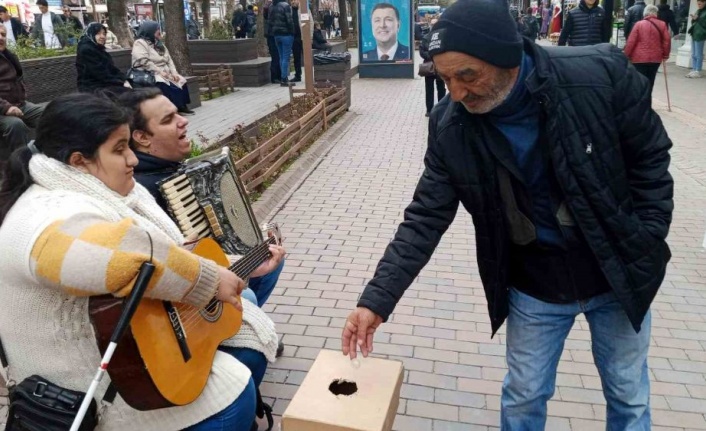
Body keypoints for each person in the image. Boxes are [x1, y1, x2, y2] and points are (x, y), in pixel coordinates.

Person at [341, 1, 673, 430]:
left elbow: (651, 157)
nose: (456, 93)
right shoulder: (451, 125)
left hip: (617, 272)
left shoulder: (597, 76)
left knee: (628, 395)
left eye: (467, 76)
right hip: (535, 282)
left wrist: (646, 238)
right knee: (523, 396)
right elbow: (424, 217)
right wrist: (375, 301)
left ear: (506, 57)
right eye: (445, 79)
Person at [0, 93, 278, 430]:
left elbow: (169, 250)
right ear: (78, 161)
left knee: (242, 322)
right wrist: (207, 279)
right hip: (80, 388)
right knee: (235, 397)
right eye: (119, 149)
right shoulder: (41, 213)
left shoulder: (110, 189)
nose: (133, 159)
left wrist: (230, 265)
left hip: (124, 347)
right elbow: (111, 258)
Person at [0, 26, 44, 162]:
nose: (1, 38)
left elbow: (18, 78)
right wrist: (6, 108)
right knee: (15, 125)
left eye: (3, 34)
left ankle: (49, 155)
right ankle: (22, 167)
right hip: (3, 110)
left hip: (19, 104)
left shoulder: (7, 55)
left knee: (49, 112)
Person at [132, 20, 194, 115]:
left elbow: (169, 60)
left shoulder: (159, 44)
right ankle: (173, 107)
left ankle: (182, 105)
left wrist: (174, 73)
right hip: (149, 71)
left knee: (181, 81)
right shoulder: (140, 43)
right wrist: (159, 72)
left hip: (165, 70)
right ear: (150, 30)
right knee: (165, 84)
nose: (159, 31)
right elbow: (144, 61)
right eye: (157, 29)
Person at [624, 5, 670, 94]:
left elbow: (631, 41)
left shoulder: (639, 24)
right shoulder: (662, 24)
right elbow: (666, 41)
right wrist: (665, 55)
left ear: (645, 13)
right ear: (656, 13)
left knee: (639, 83)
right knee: (650, 82)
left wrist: (626, 55)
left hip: (638, 59)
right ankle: (647, 103)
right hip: (655, 59)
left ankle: (640, 104)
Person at [76, 23, 130, 95]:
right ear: (91, 34)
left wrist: (124, 79)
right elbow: (99, 73)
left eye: (104, 34)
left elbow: (112, 68)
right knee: (127, 93)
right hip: (91, 86)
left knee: (135, 85)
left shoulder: (98, 48)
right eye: (98, 34)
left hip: (104, 83)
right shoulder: (86, 50)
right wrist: (121, 82)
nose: (102, 36)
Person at [419, 19, 445, 117]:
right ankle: (429, 110)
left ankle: (441, 108)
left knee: (441, 88)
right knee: (429, 89)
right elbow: (422, 52)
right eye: (433, 24)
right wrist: (433, 55)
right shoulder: (426, 37)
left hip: (439, 67)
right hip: (429, 67)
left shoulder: (442, 37)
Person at [268, 0, 295, 86]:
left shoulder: (272, 6)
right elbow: (289, 20)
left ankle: (283, 77)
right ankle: (284, 79)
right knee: (286, 57)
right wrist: (292, 32)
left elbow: (270, 21)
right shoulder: (285, 5)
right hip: (286, 34)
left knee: (281, 57)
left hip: (276, 35)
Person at [686, 0, 706, 78]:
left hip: (700, 34)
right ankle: (694, 69)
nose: (699, 5)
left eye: (700, 3)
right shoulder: (698, 11)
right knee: (693, 54)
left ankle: (698, 70)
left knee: (698, 54)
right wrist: (694, 19)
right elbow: (694, 22)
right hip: (694, 33)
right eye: (698, 4)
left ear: (705, 2)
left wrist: (697, 19)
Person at [264, 0, 282, 84]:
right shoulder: (271, 8)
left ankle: (276, 76)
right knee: (276, 56)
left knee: (276, 56)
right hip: (273, 35)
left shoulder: (269, 8)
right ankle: (275, 77)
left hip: (271, 35)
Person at [291, 0, 303, 83]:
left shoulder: (303, 9)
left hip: (303, 37)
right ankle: (298, 75)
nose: (293, 2)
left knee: (307, 56)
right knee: (296, 57)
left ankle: (310, 74)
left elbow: (311, 22)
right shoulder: (289, 10)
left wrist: (310, 37)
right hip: (294, 37)